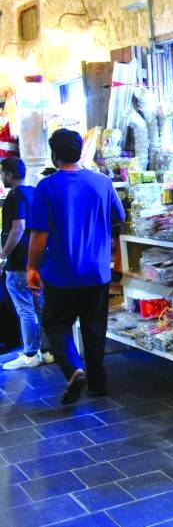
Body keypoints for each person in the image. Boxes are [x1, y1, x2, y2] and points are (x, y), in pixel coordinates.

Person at [27, 129, 125, 404]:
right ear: (81, 152)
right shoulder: (103, 183)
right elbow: (118, 217)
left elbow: (39, 234)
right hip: (97, 272)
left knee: (55, 324)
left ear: (53, 154)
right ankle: (97, 384)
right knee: (94, 328)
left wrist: (32, 267)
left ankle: (74, 368)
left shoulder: (46, 187)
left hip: (61, 273)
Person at [0, 157, 52, 370]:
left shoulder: (15, 195)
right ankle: (48, 351)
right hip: (37, 258)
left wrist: (3, 255)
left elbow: (18, 227)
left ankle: (30, 354)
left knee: (24, 308)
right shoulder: (33, 192)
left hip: (19, 261)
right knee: (41, 307)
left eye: (2, 173)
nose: (1, 177)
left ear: (10, 175)